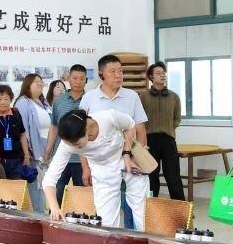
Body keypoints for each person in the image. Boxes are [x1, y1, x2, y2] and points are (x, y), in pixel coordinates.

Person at [44, 109, 146, 228]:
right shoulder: (67, 144)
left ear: (85, 130)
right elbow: (49, 179)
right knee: (107, 224)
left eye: (76, 144)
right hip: (103, 173)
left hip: (128, 163)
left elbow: (130, 125)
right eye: (70, 144)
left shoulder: (108, 117)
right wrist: (54, 207)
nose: (73, 147)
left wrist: (127, 154)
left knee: (142, 215)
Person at [81, 55, 149, 226]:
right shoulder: (89, 98)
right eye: (112, 71)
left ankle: (140, 239)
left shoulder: (132, 96)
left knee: (139, 208)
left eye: (120, 71)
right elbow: (83, 137)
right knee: (107, 211)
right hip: (103, 164)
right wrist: (85, 168)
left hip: (130, 159)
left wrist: (137, 158)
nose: (118, 75)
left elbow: (140, 130)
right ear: (101, 74)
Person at [140, 62, 185, 201]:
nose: (162, 75)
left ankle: (180, 208)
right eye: (158, 73)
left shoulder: (174, 97)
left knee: (173, 175)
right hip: (149, 140)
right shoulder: (143, 96)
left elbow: (177, 118)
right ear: (151, 77)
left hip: (168, 139)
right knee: (151, 176)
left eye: (164, 73)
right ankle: (151, 207)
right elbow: (138, 119)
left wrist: (169, 127)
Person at [45, 65, 88, 201]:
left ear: (86, 80)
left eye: (82, 78)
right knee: (56, 195)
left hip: (83, 159)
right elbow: (54, 127)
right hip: (61, 156)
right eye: (75, 78)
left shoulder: (90, 99)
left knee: (82, 199)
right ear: (68, 79)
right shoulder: (59, 101)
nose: (78, 81)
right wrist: (48, 151)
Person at [15, 74, 51, 212]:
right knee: (37, 188)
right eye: (36, 82)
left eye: (41, 82)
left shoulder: (44, 102)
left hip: (48, 152)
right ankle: (38, 217)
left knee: (47, 187)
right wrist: (27, 152)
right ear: (28, 85)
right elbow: (23, 130)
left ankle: (47, 216)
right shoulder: (23, 102)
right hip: (34, 153)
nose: (40, 84)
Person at [0, 84, 33, 184]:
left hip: (16, 160)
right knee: (0, 189)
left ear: (11, 100)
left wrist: (26, 156)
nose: (3, 102)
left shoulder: (16, 113)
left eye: (6, 99)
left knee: (17, 188)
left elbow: (22, 135)